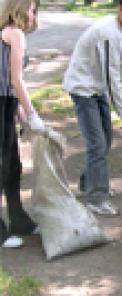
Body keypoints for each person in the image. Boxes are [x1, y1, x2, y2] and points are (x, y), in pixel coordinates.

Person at [63, 0, 122, 216]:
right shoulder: (107, 32)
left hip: (98, 88)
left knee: (105, 140)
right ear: (120, 9)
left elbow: (110, 75)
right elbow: (112, 77)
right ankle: (96, 198)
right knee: (97, 144)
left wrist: (120, 109)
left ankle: (88, 183)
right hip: (83, 88)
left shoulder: (120, 29)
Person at [0, 0, 45, 248]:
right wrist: (32, 114)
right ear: (19, 9)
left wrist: (19, 114)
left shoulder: (5, 33)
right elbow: (16, 80)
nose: (33, 14)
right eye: (31, 9)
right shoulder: (14, 33)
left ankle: (19, 220)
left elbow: (7, 83)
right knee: (2, 167)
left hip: (5, 103)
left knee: (12, 166)